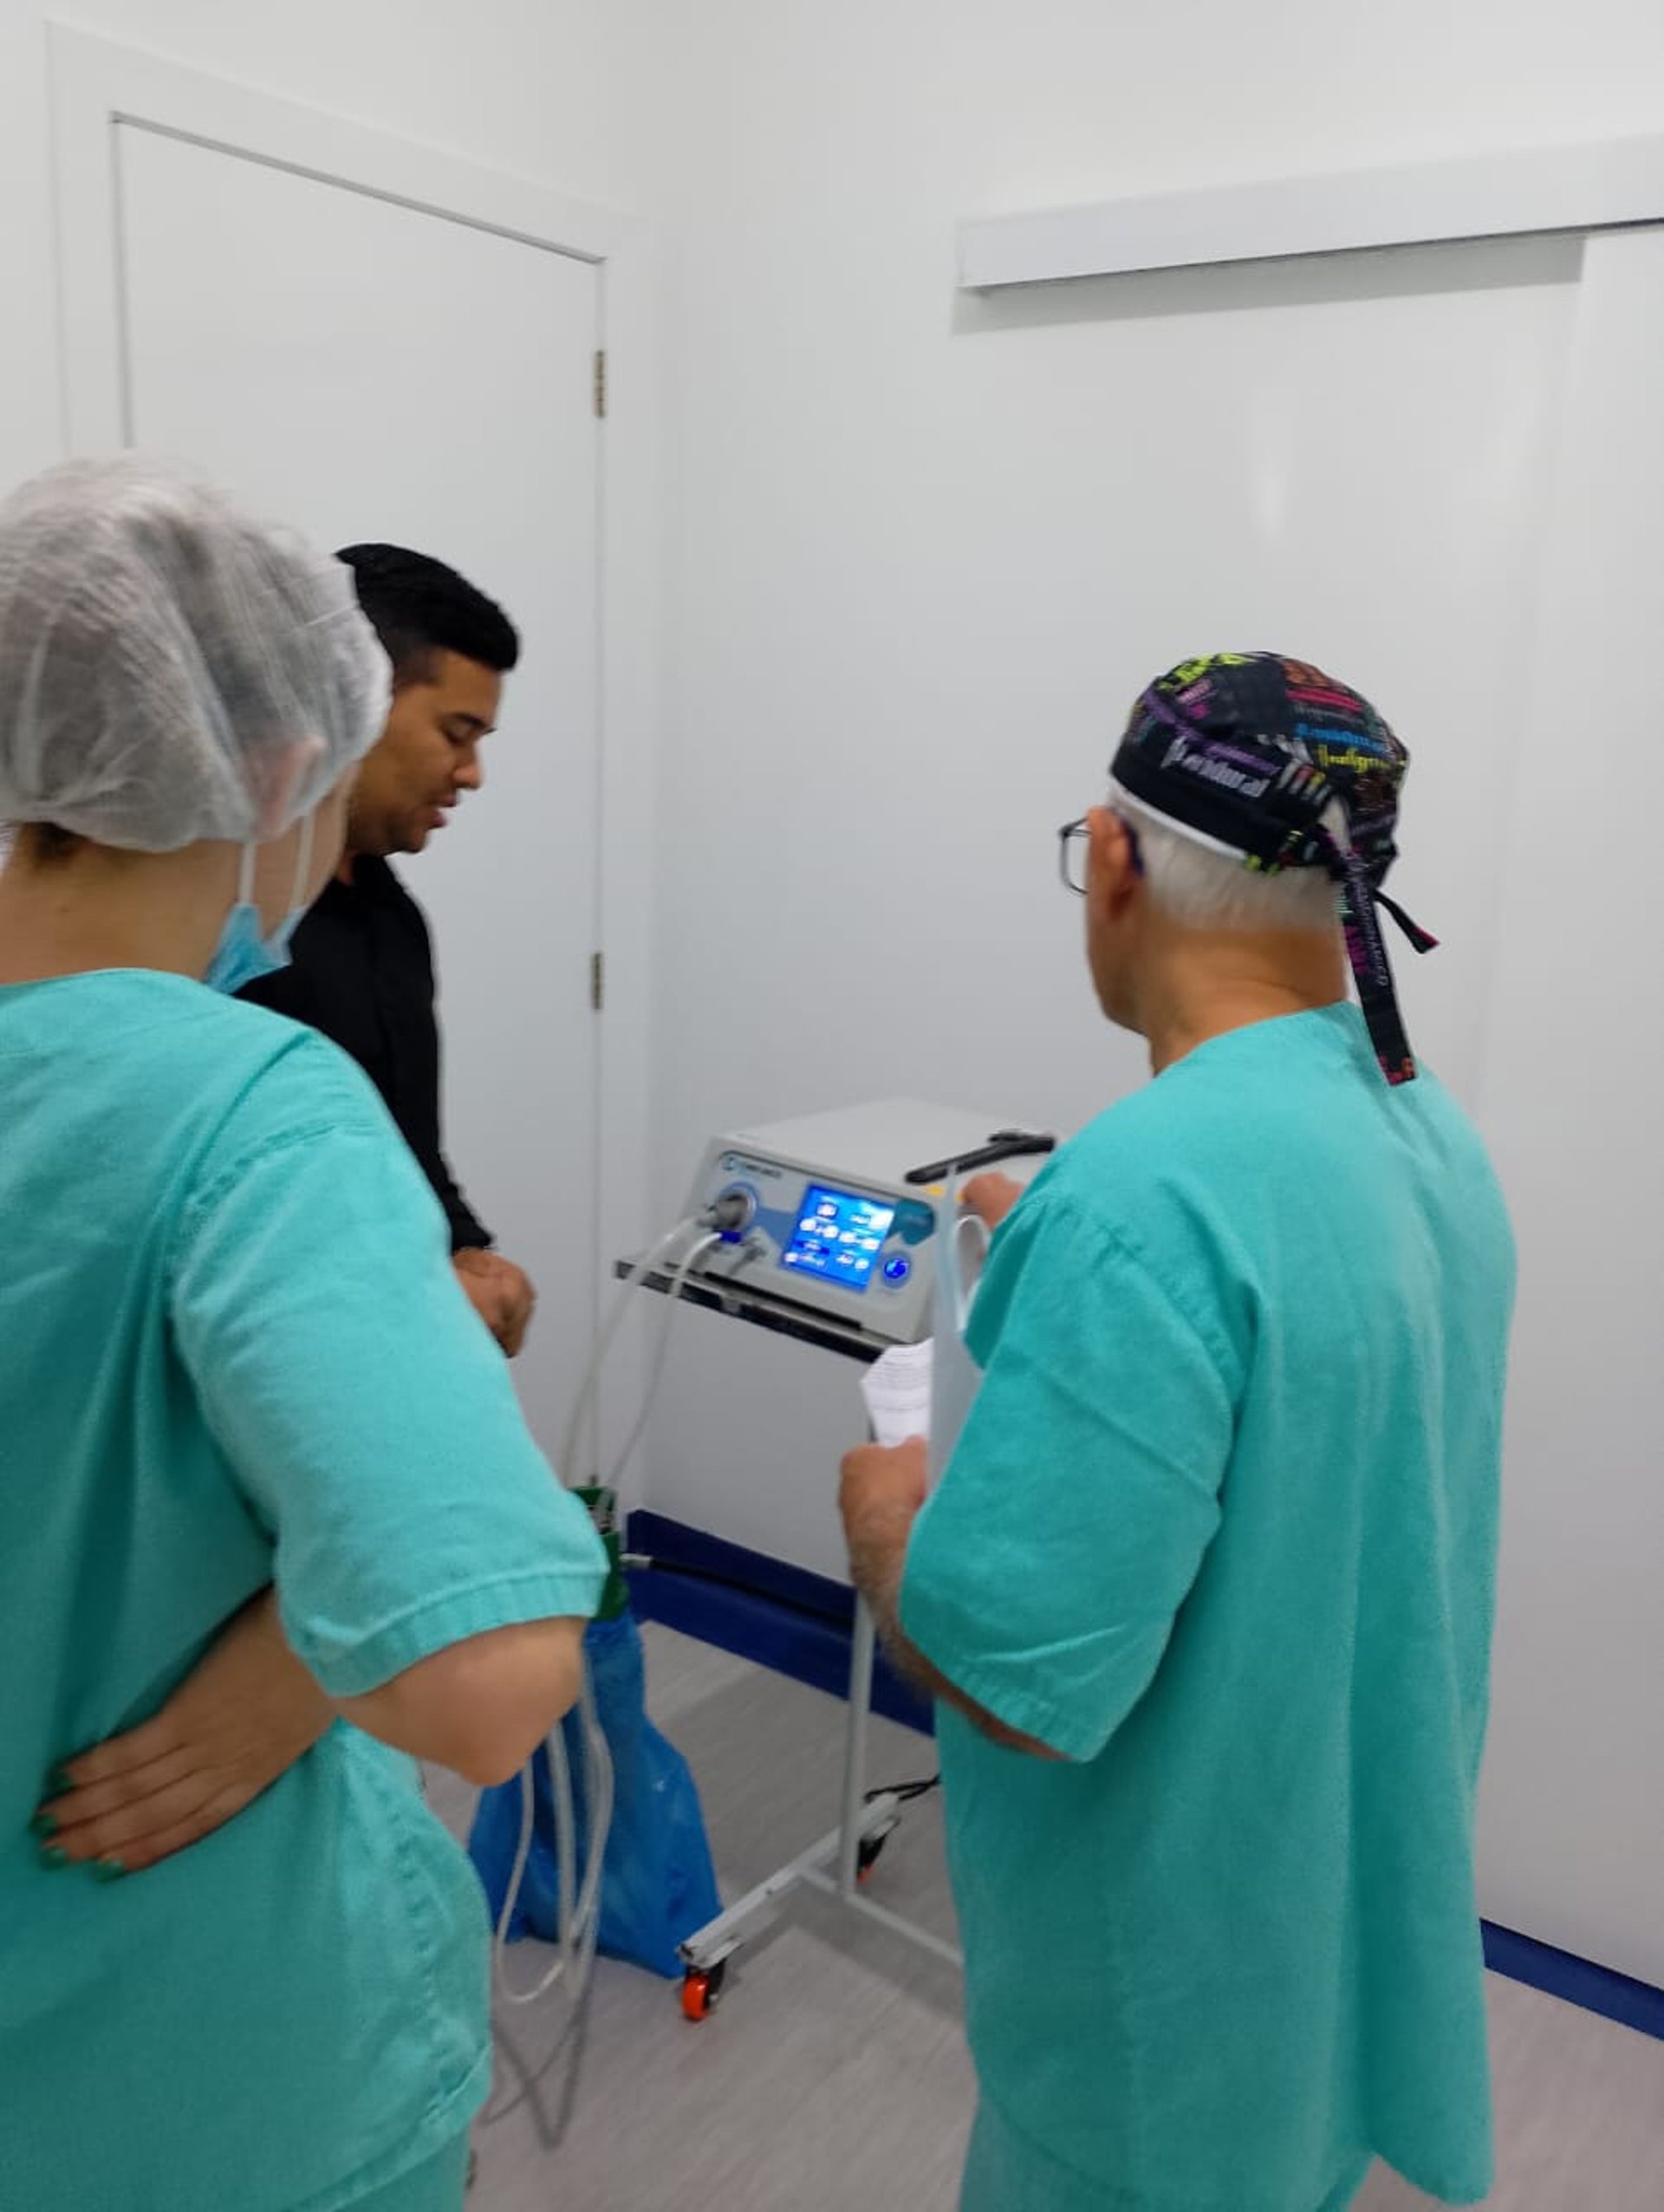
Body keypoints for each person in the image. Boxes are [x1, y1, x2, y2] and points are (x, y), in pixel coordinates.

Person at [0, 457, 606, 2212]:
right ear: (286, 761)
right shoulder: (249, 1103)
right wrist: (325, 1644)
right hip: (200, 2083)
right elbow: (491, 1686)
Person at [839, 654, 1516, 2212]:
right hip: (1318, 1929)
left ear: (1119, 854)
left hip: (1162, 2014)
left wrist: (883, 1515)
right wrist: (1070, 1244)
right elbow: (1301, 1377)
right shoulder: (1427, 1134)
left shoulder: (1146, 1200)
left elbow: (1018, 1682)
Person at [241, 542, 536, 1358]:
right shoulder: (222, 931)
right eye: (456, 732)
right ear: (353, 701)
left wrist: (467, 1250)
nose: (471, 773)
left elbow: (402, 1144)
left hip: (392, 1346)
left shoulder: (390, 916)